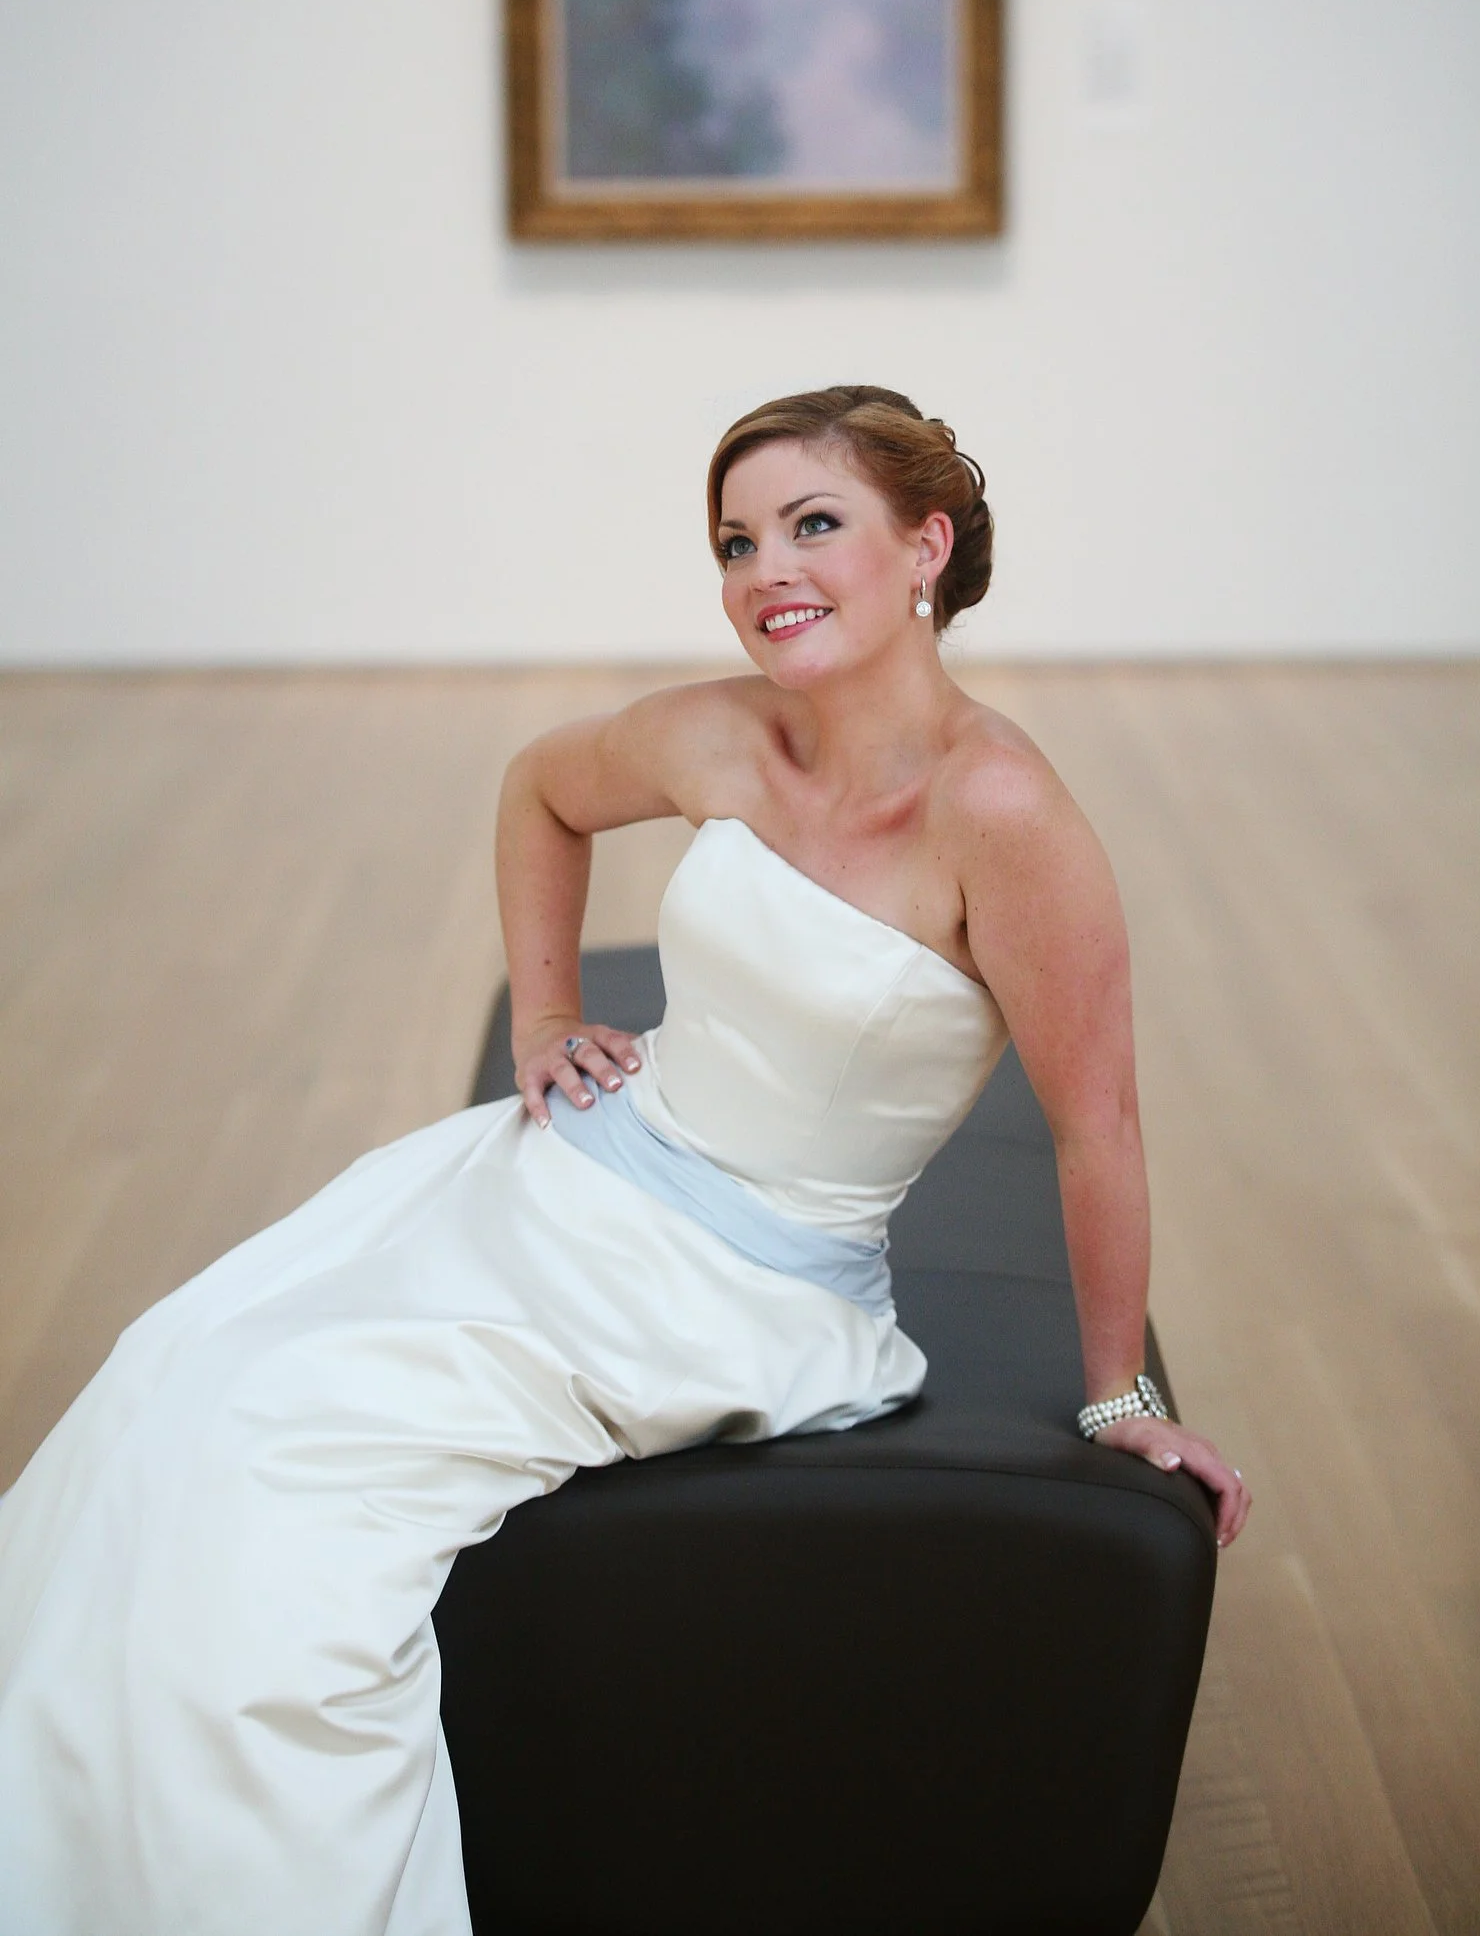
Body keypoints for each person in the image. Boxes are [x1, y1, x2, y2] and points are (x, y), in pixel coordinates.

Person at [0, 383, 1249, 1935]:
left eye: (812, 525)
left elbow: (1099, 1122)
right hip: (569, 1172)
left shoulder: (1003, 811)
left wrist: (1119, 1397)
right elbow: (540, 785)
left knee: (275, 1482)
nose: (763, 569)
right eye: (735, 539)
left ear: (926, 545)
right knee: (167, 1374)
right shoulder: (726, 731)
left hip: (728, 1288)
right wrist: (547, 1011)